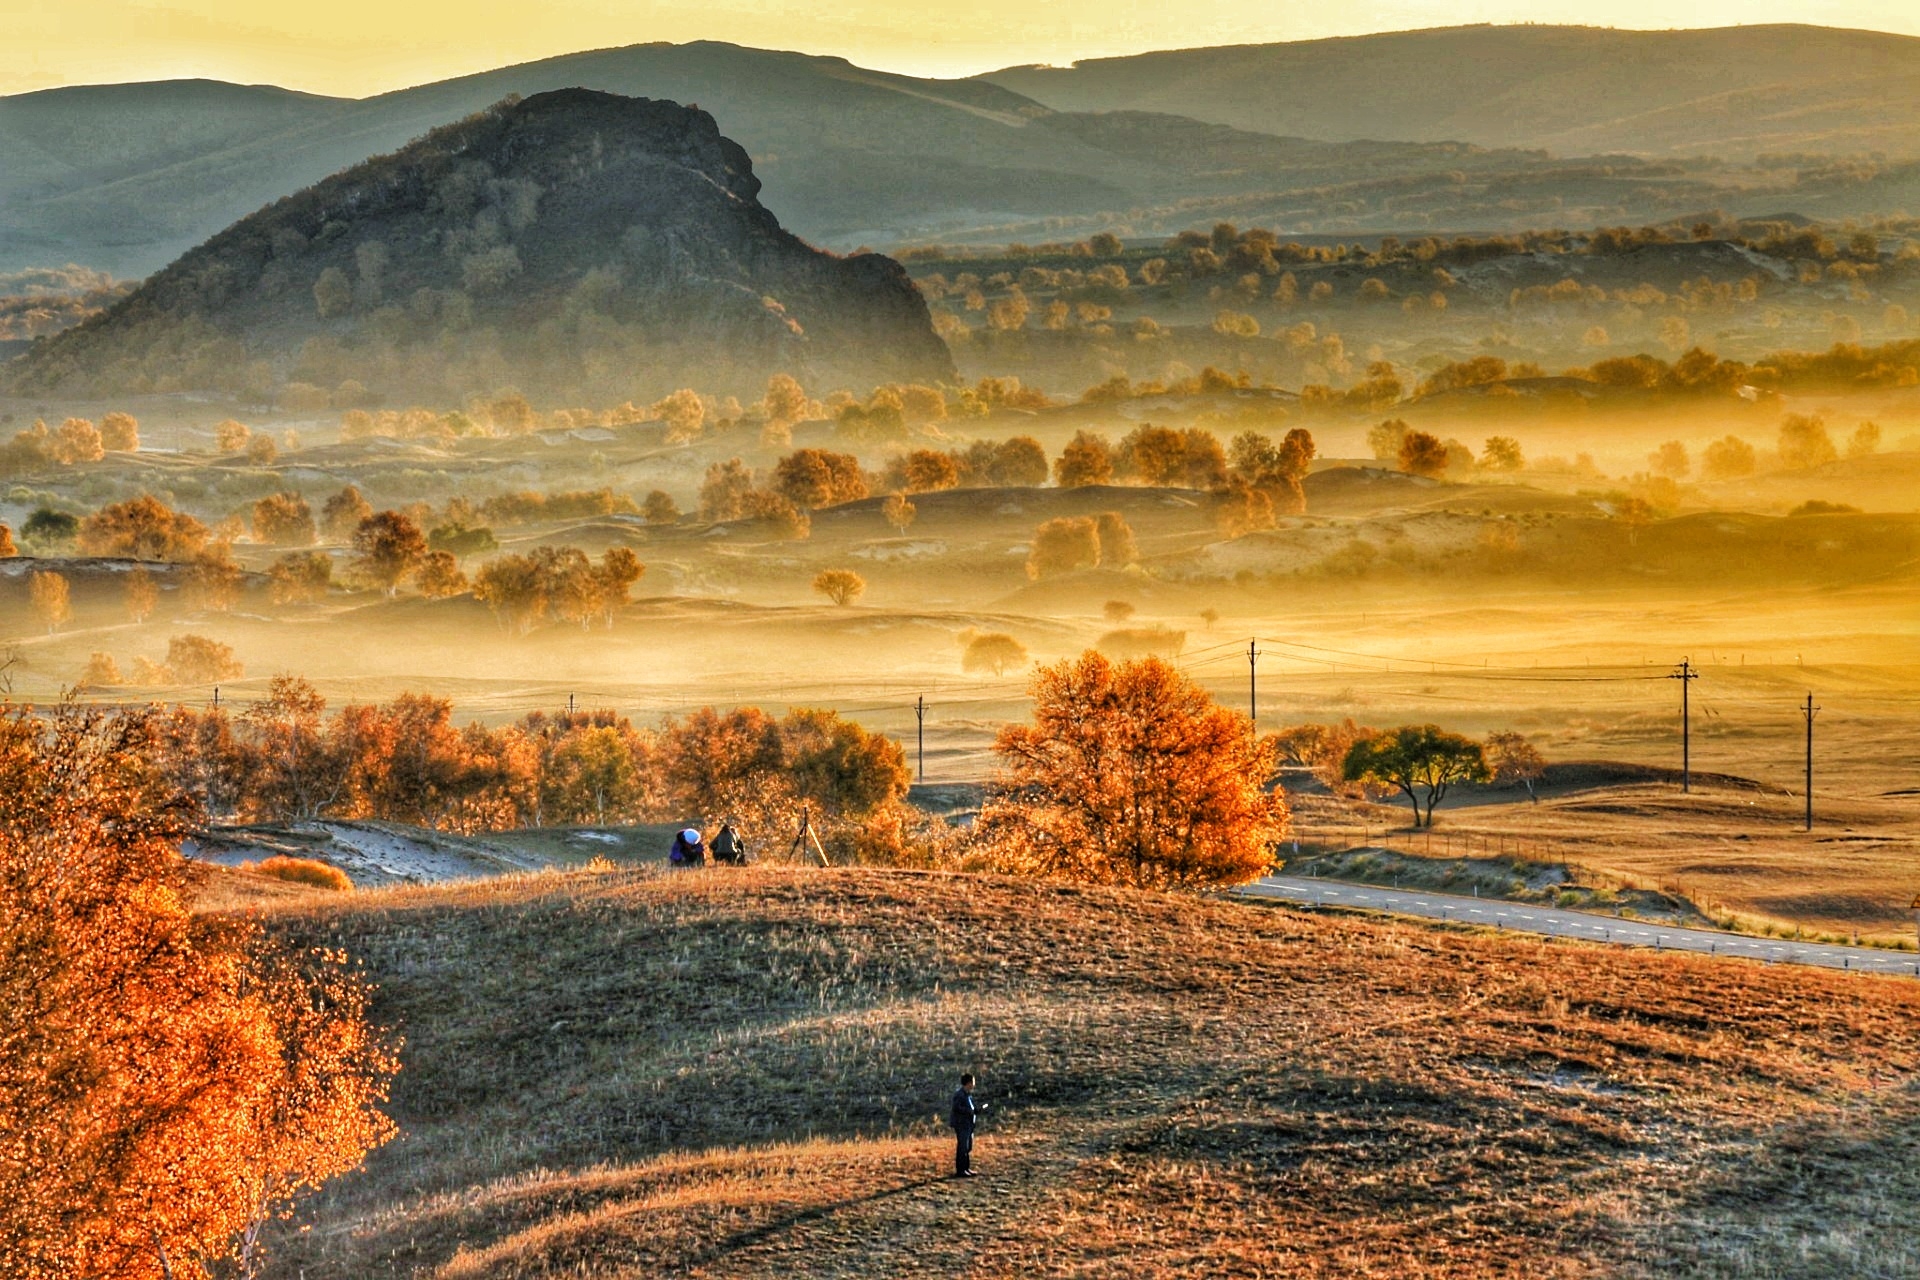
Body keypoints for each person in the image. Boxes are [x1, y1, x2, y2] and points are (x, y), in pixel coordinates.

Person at [949, 1073, 985, 1177]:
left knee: (967, 1147)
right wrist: (969, 1111)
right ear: (969, 1083)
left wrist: (975, 1111)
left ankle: (966, 1168)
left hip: (967, 1125)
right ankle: (961, 1170)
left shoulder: (966, 1095)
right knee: (962, 1147)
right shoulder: (959, 1095)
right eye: (973, 1082)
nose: (974, 1085)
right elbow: (956, 1108)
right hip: (961, 1124)